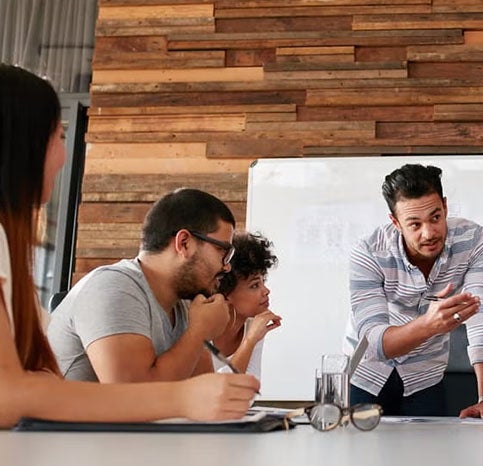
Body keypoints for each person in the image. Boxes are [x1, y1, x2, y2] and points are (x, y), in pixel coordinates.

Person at [0, 64, 258, 428]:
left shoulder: (184, 306)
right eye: (59, 135)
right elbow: (10, 396)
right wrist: (186, 381)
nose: (63, 155)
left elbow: (32, 382)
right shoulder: (115, 285)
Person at [344, 164, 483, 418]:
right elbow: (375, 342)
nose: (429, 233)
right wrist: (430, 325)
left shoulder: (473, 240)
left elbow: (482, 318)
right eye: (415, 224)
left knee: (430, 455)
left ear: (444, 206)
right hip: (367, 375)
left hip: (425, 377)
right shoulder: (369, 251)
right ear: (395, 222)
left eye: (435, 217)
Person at [47, 187, 236, 382]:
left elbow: (202, 395)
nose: (227, 266)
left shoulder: (187, 305)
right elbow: (132, 397)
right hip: (64, 413)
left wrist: (201, 332)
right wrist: (199, 332)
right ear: (184, 243)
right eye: (222, 251)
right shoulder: (114, 287)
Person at [213, 231, 282, 377]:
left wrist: (252, 338)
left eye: (263, 281)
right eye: (255, 285)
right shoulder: (202, 326)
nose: (266, 291)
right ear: (226, 293)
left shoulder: (253, 326)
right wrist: (249, 341)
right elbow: (215, 392)